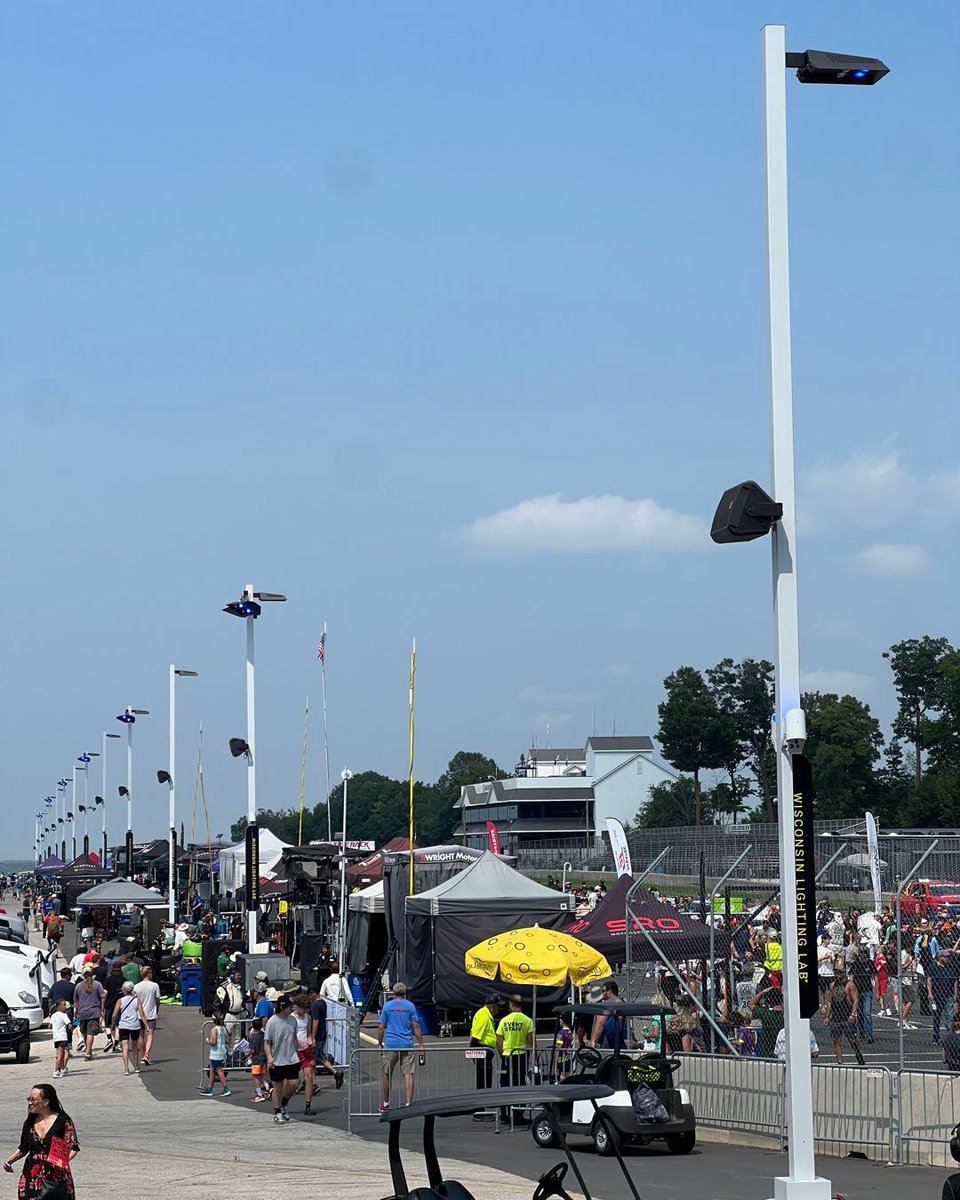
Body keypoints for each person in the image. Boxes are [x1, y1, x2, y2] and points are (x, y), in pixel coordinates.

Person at [3, 1084, 79, 1200]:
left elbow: (73, 1147)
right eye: (28, 1099)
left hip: (55, 1174)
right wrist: (9, 1161)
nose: (29, 1103)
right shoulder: (29, 1122)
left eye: (33, 1099)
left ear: (46, 1102)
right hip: (31, 1174)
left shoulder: (63, 1120)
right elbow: (23, 1148)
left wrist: (62, 1161)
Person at [377, 982, 424, 1113]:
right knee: (408, 1074)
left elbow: (381, 1026)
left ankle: (386, 1104)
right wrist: (421, 1044)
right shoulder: (410, 1006)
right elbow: (415, 1026)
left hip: (391, 1043)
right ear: (405, 993)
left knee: (387, 1074)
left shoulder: (387, 1006)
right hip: (406, 1043)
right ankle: (409, 1103)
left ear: (393, 992)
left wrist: (379, 1042)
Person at [496, 995, 533, 1122]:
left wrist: (501, 1054)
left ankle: (504, 1114)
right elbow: (530, 1041)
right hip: (521, 1055)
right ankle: (518, 1114)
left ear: (511, 1005)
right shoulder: (527, 1020)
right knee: (520, 1085)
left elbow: (499, 1041)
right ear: (521, 1005)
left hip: (507, 1056)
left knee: (505, 1085)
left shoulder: (504, 1021)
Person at [264, 993, 300, 1124]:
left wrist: (296, 1052)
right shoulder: (272, 1022)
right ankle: (277, 1111)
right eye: (290, 1007)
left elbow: (294, 1038)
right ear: (283, 1007)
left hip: (291, 1058)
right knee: (277, 1087)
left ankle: (284, 1102)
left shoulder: (293, 1020)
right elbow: (267, 1042)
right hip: (277, 1059)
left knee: (294, 1083)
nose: (292, 1009)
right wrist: (269, 1058)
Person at [307, 984, 344, 1091]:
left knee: (312, 1059)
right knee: (319, 1057)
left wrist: (313, 1037)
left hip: (318, 1035)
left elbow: (315, 1020)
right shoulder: (323, 1003)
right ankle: (335, 1073)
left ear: (313, 993)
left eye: (310, 995)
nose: (309, 997)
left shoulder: (315, 1006)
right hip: (322, 1034)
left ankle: (313, 1083)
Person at [825, 967, 864, 1065]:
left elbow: (855, 1000)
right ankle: (840, 1062)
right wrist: (827, 1016)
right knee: (836, 1040)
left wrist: (853, 1014)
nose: (838, 974)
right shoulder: (832, 985)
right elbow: (830, 1001)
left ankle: (858, 1053)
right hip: (835, 1017)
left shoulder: (850, 985)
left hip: (846, 1015)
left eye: (840, 972)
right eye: (836, 972)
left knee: (852, 1040)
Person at [111, 981, 147, 1076]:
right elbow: (142, 1014)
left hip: (123, 1025)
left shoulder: (120, 1000)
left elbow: (114, 1015)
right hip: (135, 1025)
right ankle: (136, 1066)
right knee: (135, 1047)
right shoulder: (136, 1000)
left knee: (125, 1048)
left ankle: (126, 1068)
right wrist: (146, 1025)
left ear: (124, 990)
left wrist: (113, 1025)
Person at [72, 965, 106, 1062]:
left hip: (82, 1012)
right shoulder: (98, 984)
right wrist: (102, 1008)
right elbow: (103, 996)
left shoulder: (78, 986)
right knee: (90, 1033)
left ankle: (88, 1051)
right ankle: (88, 1052)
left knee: (85, 1033)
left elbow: (76, 1001)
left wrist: (77, 1012)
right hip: (94, 1012)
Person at [292, 994, 318, 1116]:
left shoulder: (307, 1017)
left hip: (306, 1051)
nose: (304, 1011)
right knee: (292, 1080)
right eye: (302, 1008)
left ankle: (308, 1105)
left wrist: (310, 1039)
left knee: (309, 1077)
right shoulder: (291, 1018)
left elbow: (308, 1032)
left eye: (306, 1008)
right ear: (297, 1006)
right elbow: (289, 1035)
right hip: (294, 1050)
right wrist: (299, 1042)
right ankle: (284, 1102)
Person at [469, 995, 502, 1092]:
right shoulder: (483, 1015)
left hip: (485, 1051)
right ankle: (481, 1102)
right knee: (482, 1078)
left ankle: (484, 1098)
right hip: (482, 1050)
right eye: (497, 1006)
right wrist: (473, 1052)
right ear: (492, 1006)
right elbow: (475, 1036)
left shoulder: (486, 1014)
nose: (499, 1009)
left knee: (486, 1076)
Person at [198, 1009, 232, 1097]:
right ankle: (210, 1088)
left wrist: (207, 1041)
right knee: (212, 1070)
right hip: (222, 1051)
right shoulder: (223, 1028)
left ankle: (226, 1089)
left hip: (216, 1053)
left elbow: (213, 1042)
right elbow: (227, 1040)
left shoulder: (214, 1029)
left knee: (219, 1070)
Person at [134, 966, 161, 1066]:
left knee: (141, 1035)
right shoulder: (154, 986)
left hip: (139, 1014)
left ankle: (142, 1055)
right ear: (149, 974)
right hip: (150, 1013)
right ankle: (147, 1054)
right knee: (150, 1035)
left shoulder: (136, 987)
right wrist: (157, 1010)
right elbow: (157, 1000)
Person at [588, 980, 627, 1049]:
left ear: (609, 992)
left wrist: (593, 1043)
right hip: (622, 1042)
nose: (602, 993)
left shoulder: (607, 1005)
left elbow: (600, 1023)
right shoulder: (623, 1003)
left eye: (603, 991)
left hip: (607, 1044)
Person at [248, 1018, 270, 1102]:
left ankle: (259, 1095)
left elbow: (252, 1050)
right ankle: (267, 1087)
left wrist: (247, 1055)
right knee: (261, 1075)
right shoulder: (264, 1035)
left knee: (256, 1077)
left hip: (256, 1059)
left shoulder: (253, 1037)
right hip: (264, 1057)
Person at [51, 1001, 72, 1079]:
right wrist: (70, 1028)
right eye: (63, 1005)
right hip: (62, 1036)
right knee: (60, 1055)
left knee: (60, 1053)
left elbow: (50, 1025)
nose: (65, 1007)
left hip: (56, 1037)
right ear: (59, 1006)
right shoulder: (64, 1015)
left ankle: (62, 1068)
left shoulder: (53, 1015)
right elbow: (69, 1025)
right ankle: (56, 1070)